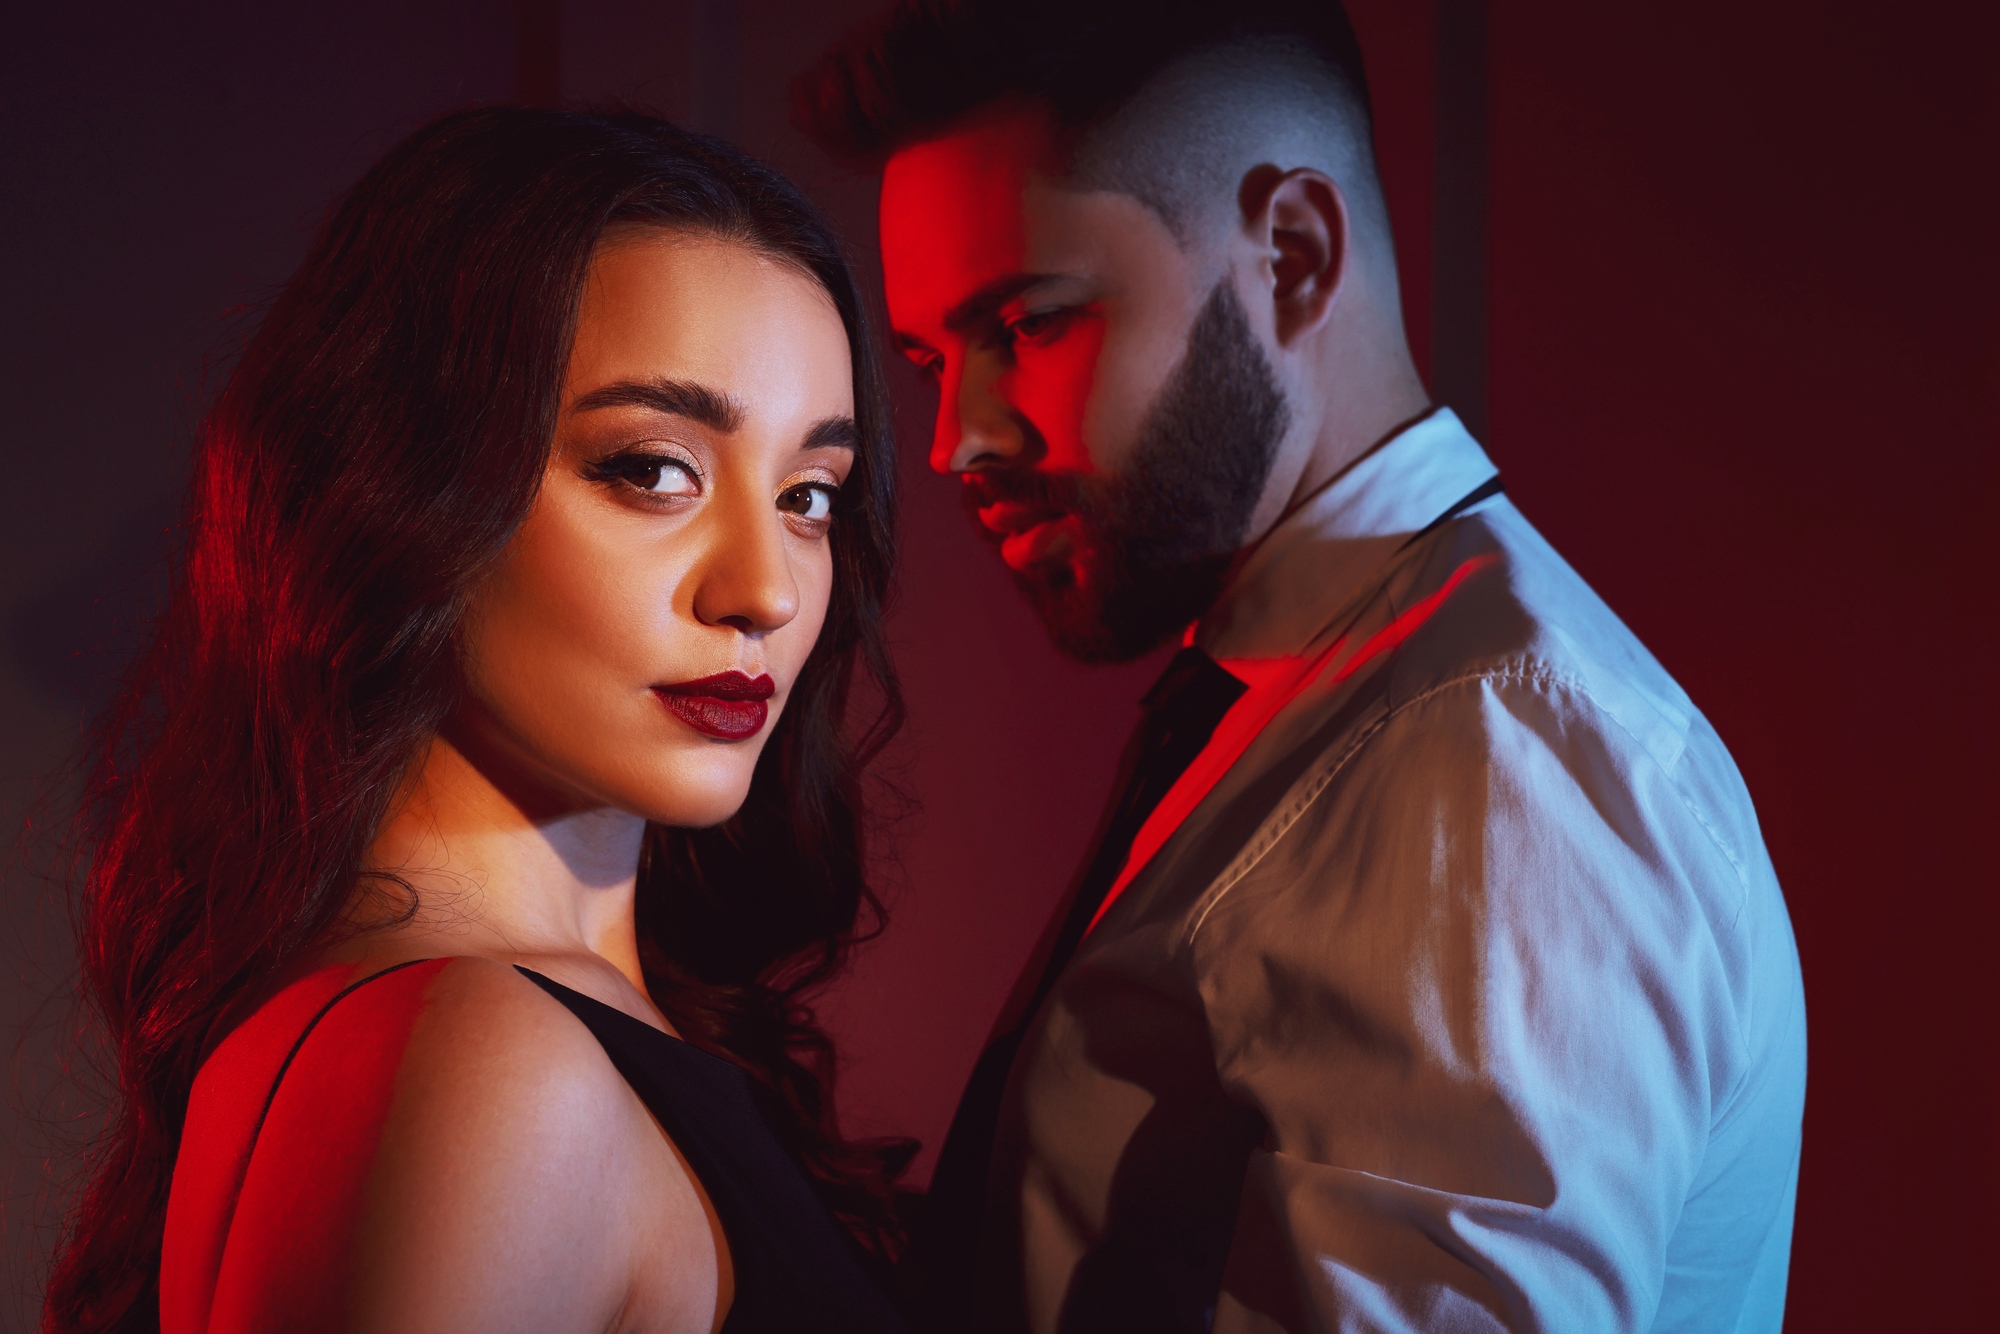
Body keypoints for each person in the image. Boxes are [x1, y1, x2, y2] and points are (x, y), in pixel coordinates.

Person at [799, 2, 1808, 1331]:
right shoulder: (1343, 690)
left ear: (1292, 256)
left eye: (1030, 325)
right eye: (932, 358)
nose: (955, 440)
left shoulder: (1492, 753)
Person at [45, 107, 914, 1334]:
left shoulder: (495, 1035)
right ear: (403, 482)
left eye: (808, 493)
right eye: (651, 469)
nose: (764, 588)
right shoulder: (482, 1062)